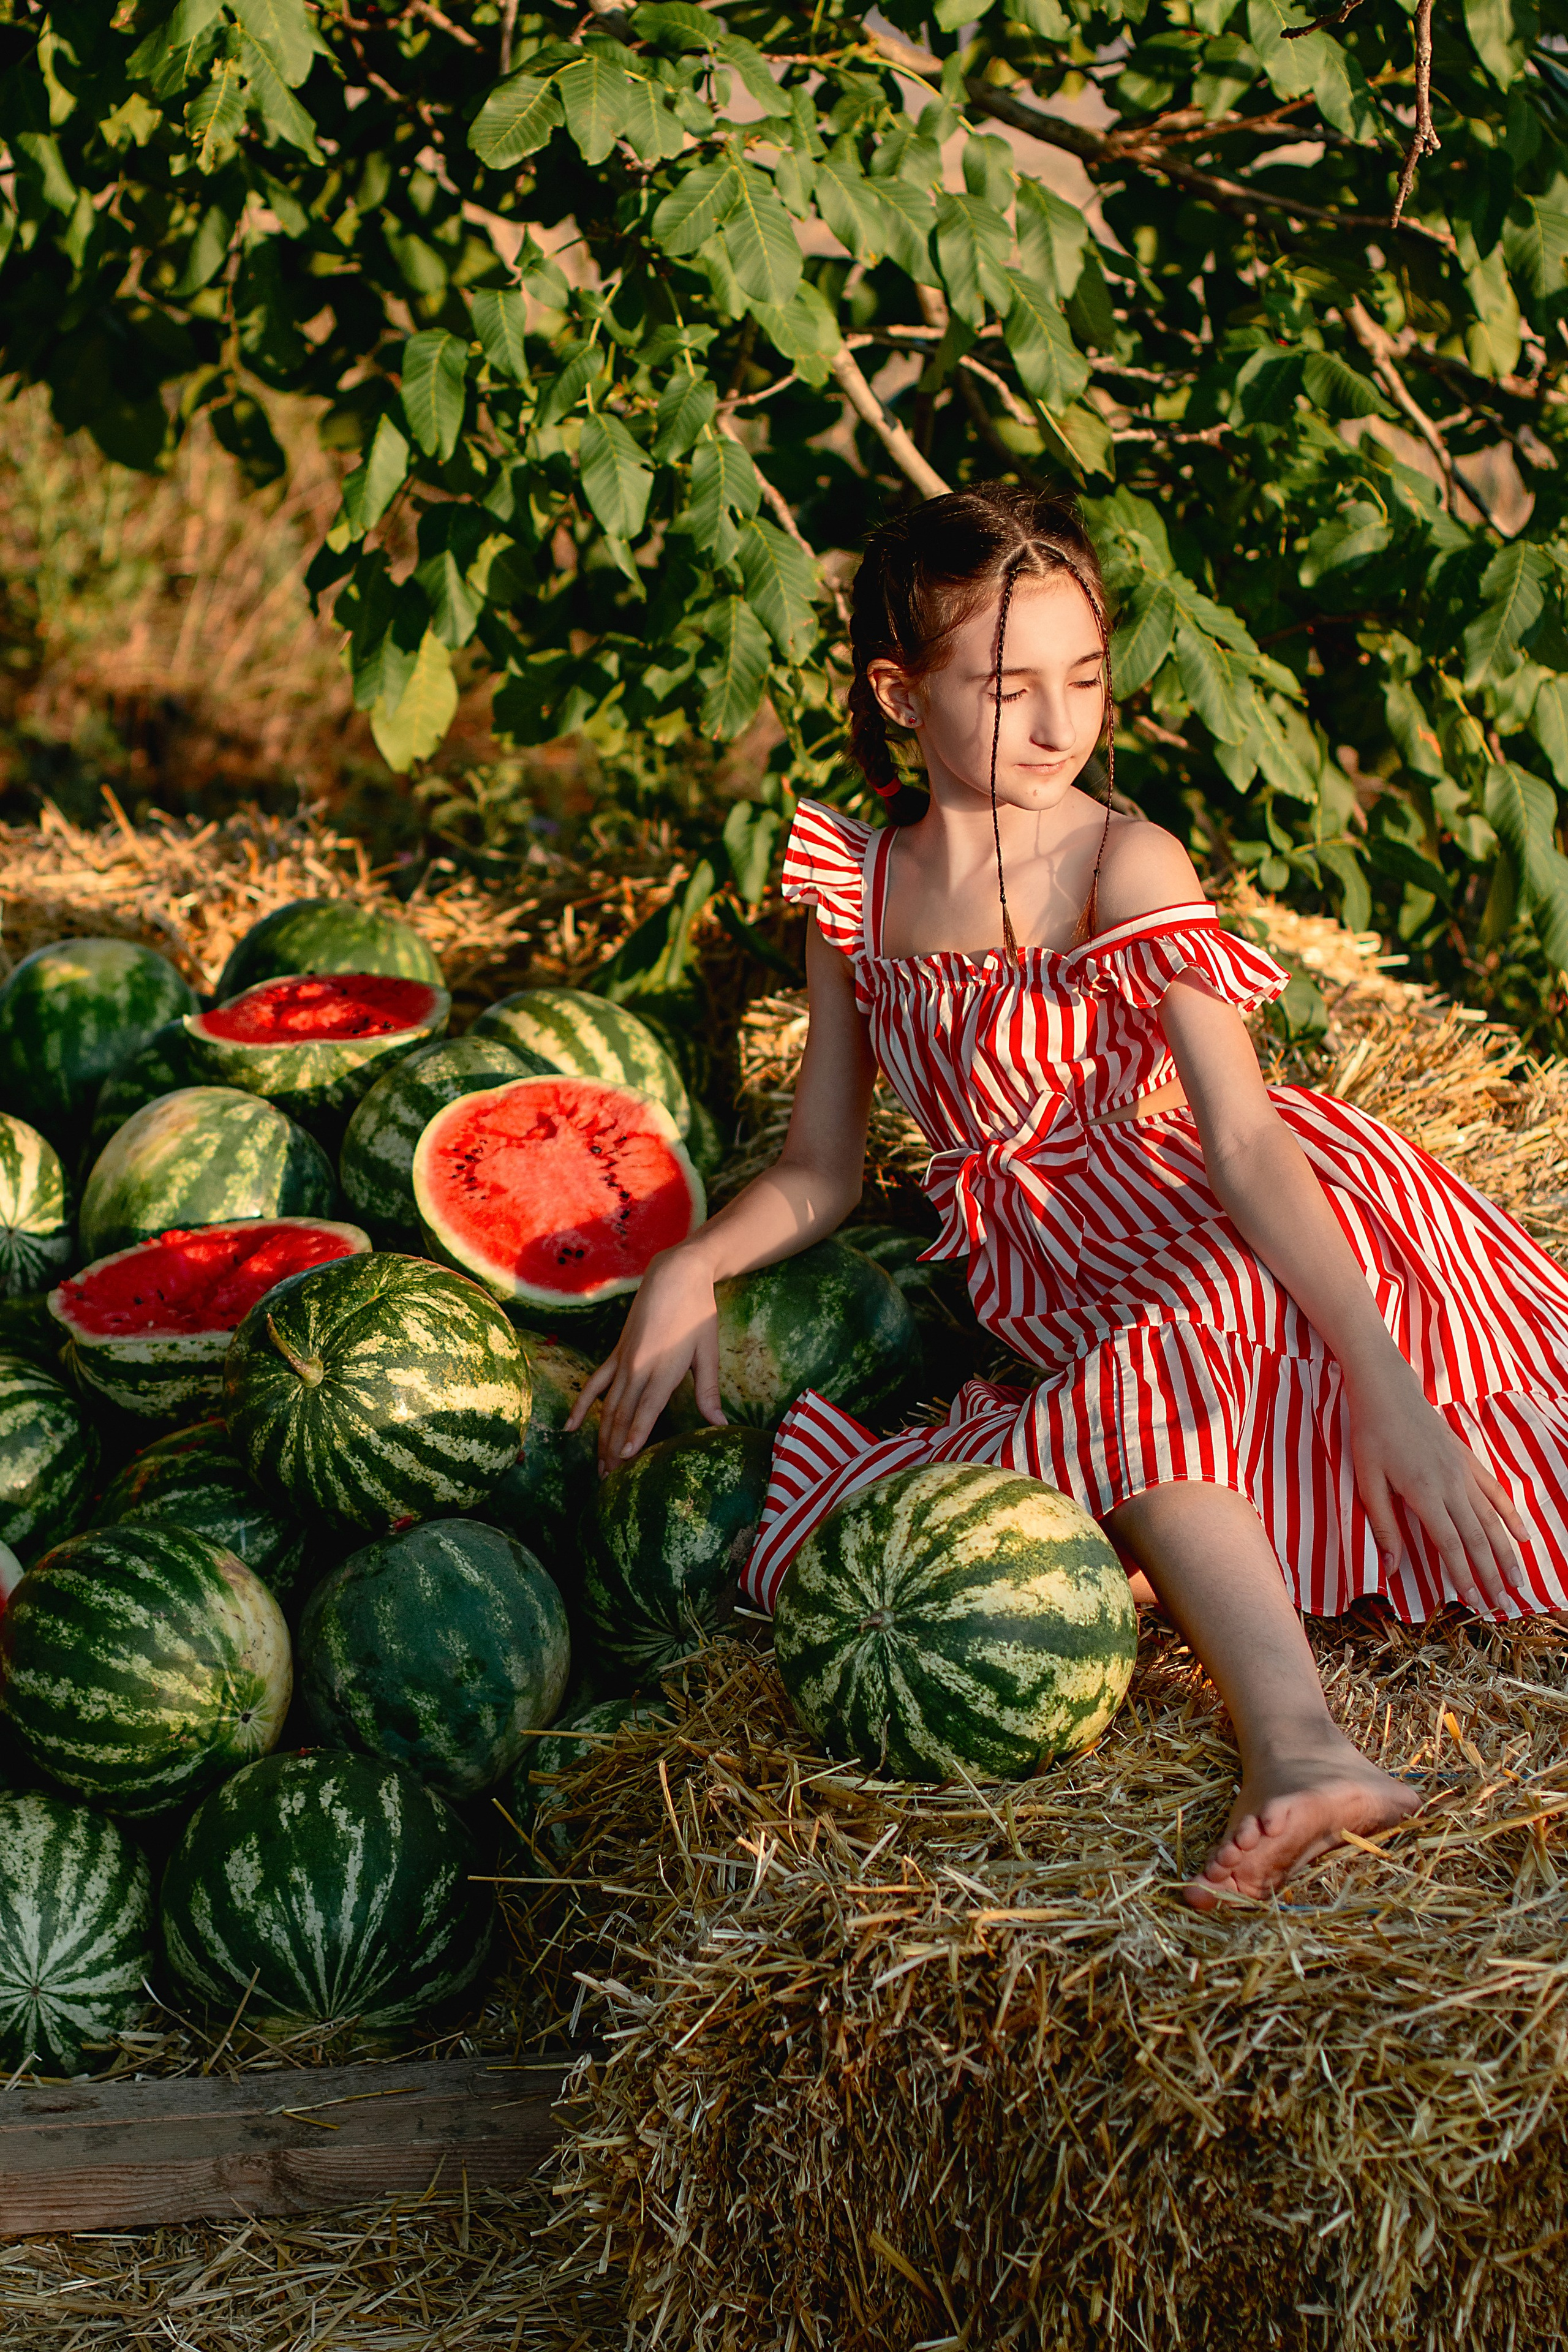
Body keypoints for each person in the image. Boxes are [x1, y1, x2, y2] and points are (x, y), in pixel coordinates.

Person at [567, 481, 1568, 1910]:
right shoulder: (857, 887)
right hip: (1057, 1273)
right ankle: (1255, 1650)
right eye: (1007, 688)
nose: (1057, 725)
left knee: (1148, 1375)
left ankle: (1302, 1751)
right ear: (897, 695)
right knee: (1089, 1434)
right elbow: (820, 1170)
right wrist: (691, 1265)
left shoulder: (1120, 860)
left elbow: (1244, 1146)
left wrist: (1384, 1384)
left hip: (1221, 1218)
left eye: (1085, 679)